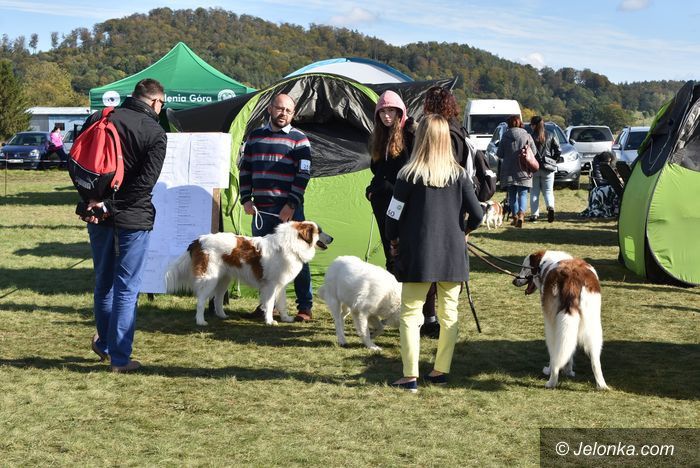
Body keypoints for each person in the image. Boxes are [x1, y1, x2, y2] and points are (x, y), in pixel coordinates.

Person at [385, 114, 484, 392]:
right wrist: (464, 231)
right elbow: (478, 214)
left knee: (410, 313)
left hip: (417, 254)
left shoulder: (407, 175)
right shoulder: (459, 175)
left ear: (420, 139)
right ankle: (440, 371)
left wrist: (393, 238)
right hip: (452, 254)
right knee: (449, 313)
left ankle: (410, 375)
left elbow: (392, 215)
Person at [78, 78, 167, 373]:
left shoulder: (100, 117)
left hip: (97, 214)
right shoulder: (155, 132)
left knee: (104, 283)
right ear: (155, 101)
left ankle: (105, 344)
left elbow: (80, 165)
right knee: (127, 288)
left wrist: (94, 201)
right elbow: (144, 185)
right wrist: (109, 205)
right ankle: (119, 359)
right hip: (132, 217)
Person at [366, 91, 438, 338]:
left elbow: (416, 169)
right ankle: (395, 310)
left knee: (413, 256)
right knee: (391, 254)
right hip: (384, 204)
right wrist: (373, 189)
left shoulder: (411, 133)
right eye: (382, 112)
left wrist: (391, 188)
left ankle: (426, 315)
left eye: (391, 111)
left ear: (400, 111)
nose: (387, 116)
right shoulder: (379, 136)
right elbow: (378, 169)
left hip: (407, 204)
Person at [240, 93, 313, 322]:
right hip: (261, 210)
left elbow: (303, 174)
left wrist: (291, 204)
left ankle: (305, 307)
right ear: (270, 109)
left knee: (298, 258)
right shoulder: (254, 137)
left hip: (290, 212)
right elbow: (245, 169)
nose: (283, 114)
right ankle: (266, 306)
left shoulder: (300, 140)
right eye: (280, 109)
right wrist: (246, 199)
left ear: (293, 114)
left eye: (288, 111)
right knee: (263, 260)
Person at [497, 115, 536, 228]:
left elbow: (499, 154)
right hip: (523, 169)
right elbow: (534, 151)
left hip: (509, 170)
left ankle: (514, 217)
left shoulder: (505, 136)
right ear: (520, 123)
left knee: (512, 195)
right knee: (522, 194)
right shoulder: (527, 135)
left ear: (509, 124)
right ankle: (521, 215)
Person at [528, 116, 560, 223]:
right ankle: (550, 207)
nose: (531, 127)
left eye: (531, 125)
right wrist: (553, 160)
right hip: (548, 167)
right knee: (548, 191)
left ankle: (534, 215)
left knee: (534, 192)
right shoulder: (551, 134)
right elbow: (558, 150)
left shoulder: (530, 137)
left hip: (534, 167)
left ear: (534, 125)